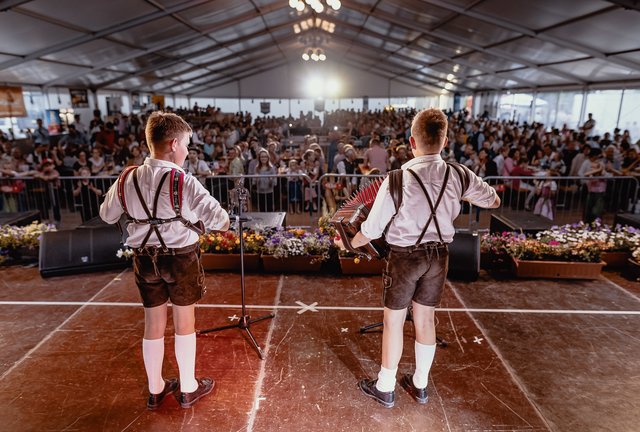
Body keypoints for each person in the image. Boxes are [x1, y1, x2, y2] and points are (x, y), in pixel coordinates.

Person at [335, 108, 500, 408]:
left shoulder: (398, 179)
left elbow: (371, 229)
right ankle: (419, 385)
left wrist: (349, 243)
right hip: (439, 256)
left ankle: (385, 387)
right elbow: (493, 200)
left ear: (412, 142)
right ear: (445, 140)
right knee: (426, 318)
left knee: (394, 321)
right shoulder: (459, 173)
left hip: (404, 257)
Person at [99, 111, 230, 410]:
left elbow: (107, 215)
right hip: (181, 258)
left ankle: (156, 389)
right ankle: (187, 387)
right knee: (185, 323)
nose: (186, 151)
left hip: (144, 258)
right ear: (173, 144)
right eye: (186, 145)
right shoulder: (184, 180)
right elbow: (221, 221)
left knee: (153, 323)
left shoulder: (127, 177)